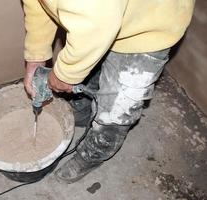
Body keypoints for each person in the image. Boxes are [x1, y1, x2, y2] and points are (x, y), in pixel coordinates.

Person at [22, 0, 194, 183]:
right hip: (99, 21)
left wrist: (64, 75)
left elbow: (98, 23)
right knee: (92, 74)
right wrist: (36, 55)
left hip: (150, 23)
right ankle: (85, 110)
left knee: (117, 110)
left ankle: (94, 153)